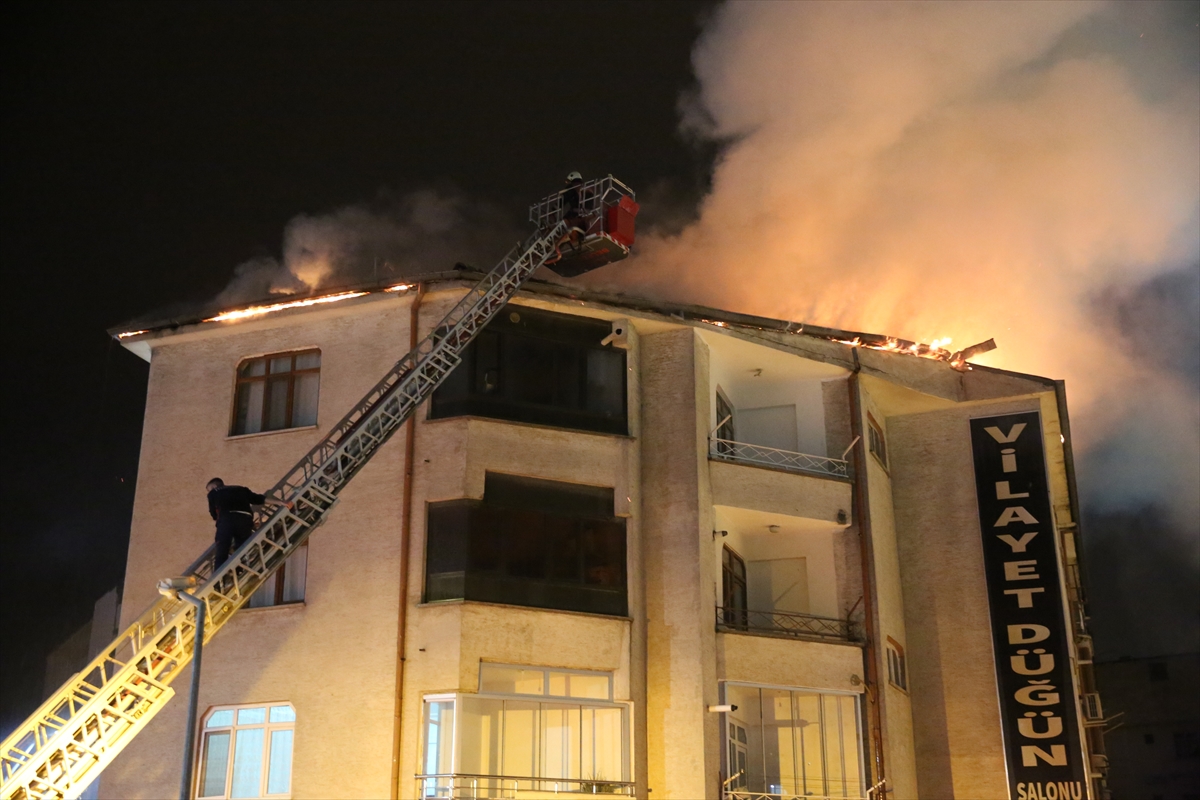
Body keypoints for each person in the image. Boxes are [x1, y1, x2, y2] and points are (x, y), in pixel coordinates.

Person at [206, 478, 289, 569]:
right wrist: (280, 502)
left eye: (209, 489)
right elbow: (259, 499)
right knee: (242, 548)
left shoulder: (213, 493)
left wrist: (219, 520)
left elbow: (213, 512)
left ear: (214, 486)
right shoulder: (241, 489)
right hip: (245, 519)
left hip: (227, 519)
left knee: (222, 548)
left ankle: (219, 578)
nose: (209, 491)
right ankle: (240, 570)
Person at [550, 171, 588, 263]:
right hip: (585, 218)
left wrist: (554, 208)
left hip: (575, 216)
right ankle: (560, 243)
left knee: (562, 225)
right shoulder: (586, 188)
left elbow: (563, 199)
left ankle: (554, 244)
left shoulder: (572, 188)